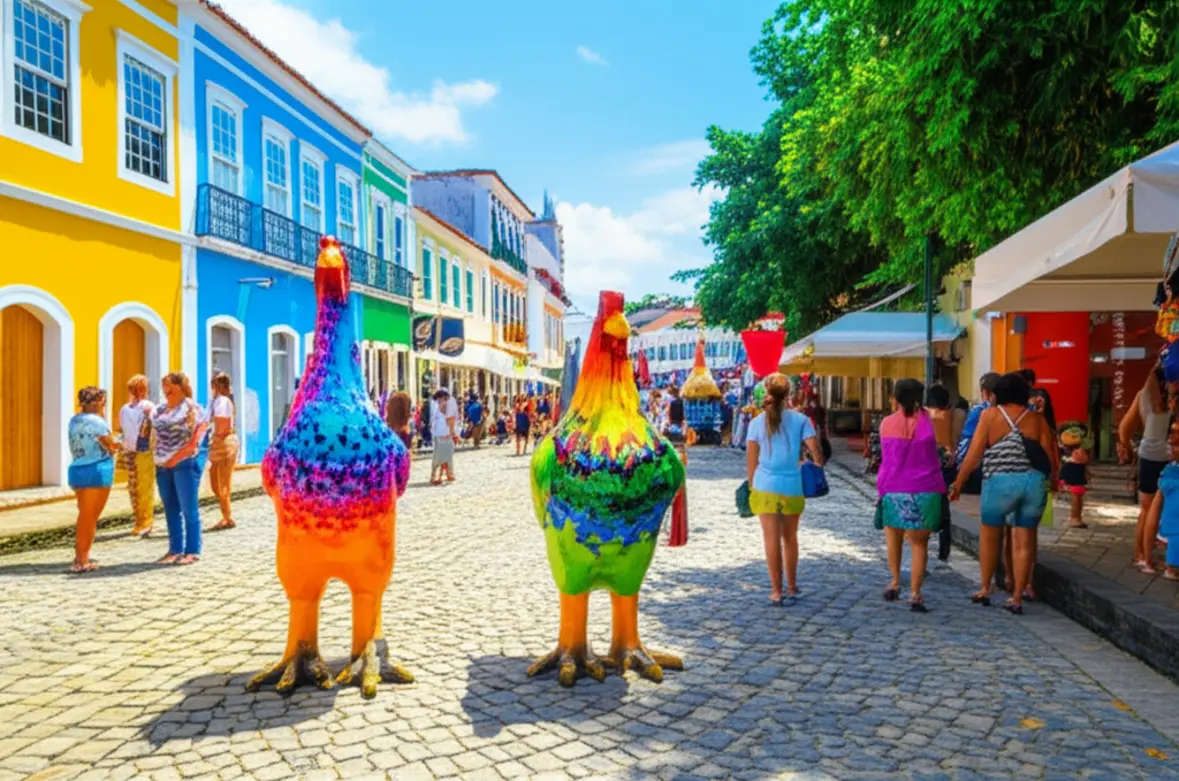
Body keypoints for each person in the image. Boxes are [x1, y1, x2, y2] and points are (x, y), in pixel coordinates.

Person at [951, 373, 1057, 614]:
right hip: (1033, 483)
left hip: (999, 483)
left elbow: (974, 453)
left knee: (990, 536)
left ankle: (986, 588)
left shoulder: (990, 416)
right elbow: (1048, 455)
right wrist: (1054, 482)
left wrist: (959, 482)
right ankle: (1017, 596)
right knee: (1024, 540)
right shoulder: (1037, 421)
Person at [746, 373, 824, 606]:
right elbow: (817, 455)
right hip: (792, 485)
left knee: (770, 539)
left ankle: (776, 591)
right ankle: (791, 586)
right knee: (790, 538)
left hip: (764, 486)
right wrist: (808, 462)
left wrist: (752, 486)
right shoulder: (801, 421)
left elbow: (752, 460)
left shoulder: (756, 423)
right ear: (789, 395)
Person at [877, 379, 946, 612]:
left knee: (893, 537)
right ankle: (916, 593)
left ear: (894, 399)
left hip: (893, 486)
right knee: (919, 544)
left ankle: (895, 581)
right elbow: (946, 445)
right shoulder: (933, 422)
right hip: (926, 489)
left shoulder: (886, 423)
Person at [1118, 364, 1171, 573]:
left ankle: (1141, 554)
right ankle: (1150, 555)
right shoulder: (1172, 399)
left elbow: (1124, 427)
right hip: (1168, 457)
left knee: (1146, 508)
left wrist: (1129, 449)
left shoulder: (1143, 395)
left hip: (1148, 456)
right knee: (1160, 508)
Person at [153, 373, 208, 565]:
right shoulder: (159, 410)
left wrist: (175, 459)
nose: (166, 388)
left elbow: (195, 442)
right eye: (164, 385)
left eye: (171, 385)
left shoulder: (193, 409)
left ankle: (192, 549)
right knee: (170, 509)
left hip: (184, 463)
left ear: (181, 386)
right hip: (162, 465)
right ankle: (175, 549)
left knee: (188, 508)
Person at [67, 387, 119, 573]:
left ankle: (81, 555)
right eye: (104, 402)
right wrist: (121, 443)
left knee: (84, 515)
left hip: (77, 470)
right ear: (97, 402)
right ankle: (82, 560)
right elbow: (110, 444)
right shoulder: (97, 422)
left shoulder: (74, 420)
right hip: (96, 471)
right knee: (89, 518)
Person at [118, 374, 156, 538]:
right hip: (140, 451)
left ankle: (144, 521)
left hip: (134, 450)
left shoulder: (128, 408)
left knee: (138, 487)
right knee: (139, 487)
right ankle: (142, 521)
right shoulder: (143, 407)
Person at [925, 384, 956, 565]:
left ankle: (922, 545)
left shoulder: (923, 417)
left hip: (926, 470)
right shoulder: (951, 417)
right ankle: (944, 552)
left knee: (926, 508)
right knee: (944, 510)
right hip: (945, 470)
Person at [955, 372, 1002, 494]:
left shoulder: (979, 412)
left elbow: (966, 443)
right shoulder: (1018, 411)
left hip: (982, 473)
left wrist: (961, 472)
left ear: (985, 393)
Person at [1146, 421, 1179, 581]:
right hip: (1174, 482)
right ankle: (1171, 567)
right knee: (1174, 525)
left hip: (1170, 478)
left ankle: (1168, 565)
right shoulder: (1175, 432)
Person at [207, 372, 239, 531]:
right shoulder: (221, 401)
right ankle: (227, 513)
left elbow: (221, 424)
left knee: (222, 481)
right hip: (223, 442)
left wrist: (216, 440)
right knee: (217, 482)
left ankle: (227, 517)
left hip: (223, 442)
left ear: (216, 386)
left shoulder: (221, 401)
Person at [430, 388, 458, 484]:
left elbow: (452, 419)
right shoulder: (436, 408)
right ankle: (435, 475)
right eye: (439, 400)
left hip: (447, 434)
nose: (441, 401)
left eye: (442, 399)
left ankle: (449, 473)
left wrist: (452, 432)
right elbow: (433, 420)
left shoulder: (449, 407)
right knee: (437, 457)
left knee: (448, 456)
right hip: (438, 434)